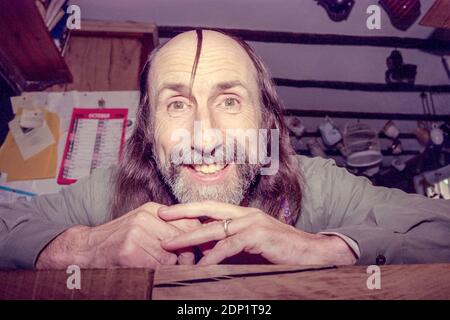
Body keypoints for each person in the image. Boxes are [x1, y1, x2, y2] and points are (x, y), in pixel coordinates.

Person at [1, 30, 449, 270]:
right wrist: (82, 248)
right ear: (148, 132)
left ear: (265, 120)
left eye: (230, 101)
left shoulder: (320, 186)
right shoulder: (109, 195)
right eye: (177, 104)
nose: (206, 134)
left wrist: (328, 247)